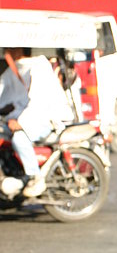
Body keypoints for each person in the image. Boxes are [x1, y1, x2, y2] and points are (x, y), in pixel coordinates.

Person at [0, 47, 74, 197]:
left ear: (18, 49)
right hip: (22, 119)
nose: (5, 53)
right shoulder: (14, 70)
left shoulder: (38, 67)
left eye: (8, 49)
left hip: (45, 120)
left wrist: (20, 122)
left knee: (19, 139)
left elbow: (39, 103)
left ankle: (35, 177)